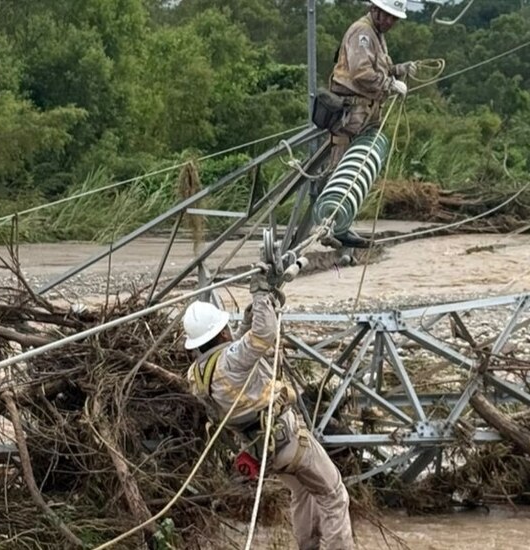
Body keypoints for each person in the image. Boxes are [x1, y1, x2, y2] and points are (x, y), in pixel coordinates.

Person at [182, 275, 354, 550]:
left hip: (262, 451)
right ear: (221, 332)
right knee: (334, 495)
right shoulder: (231, 361)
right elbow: (261, 338)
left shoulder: (198, 375)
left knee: (301, 492)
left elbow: (234, 356)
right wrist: (261, 297)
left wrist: (247, 322)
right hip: (289, 442)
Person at [325, 0, 415, 249]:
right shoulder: (362, 32)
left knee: (359, 169)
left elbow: (379, 66)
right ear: (375, 10)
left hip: (366, 113)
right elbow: (362, 73)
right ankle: (333, 226)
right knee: (343, 170)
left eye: (393, 18)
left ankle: (342, 226)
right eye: (386, 16)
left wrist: (398, 71)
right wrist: (389, 85)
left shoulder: (377, 34)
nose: (389, 21)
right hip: (351, 114)